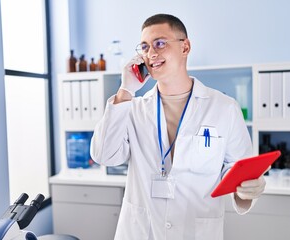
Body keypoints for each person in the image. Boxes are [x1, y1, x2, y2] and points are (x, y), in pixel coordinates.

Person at [90, 13, 266, 240]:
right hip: (142, 232)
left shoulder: (224, 108)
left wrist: (246, 190)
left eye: (160, 44)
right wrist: (126, 90)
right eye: (144, 47)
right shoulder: (132, 108)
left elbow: (237, 171)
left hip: (195, 232)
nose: (151, 53)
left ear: (185, 47)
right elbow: (104, 155)